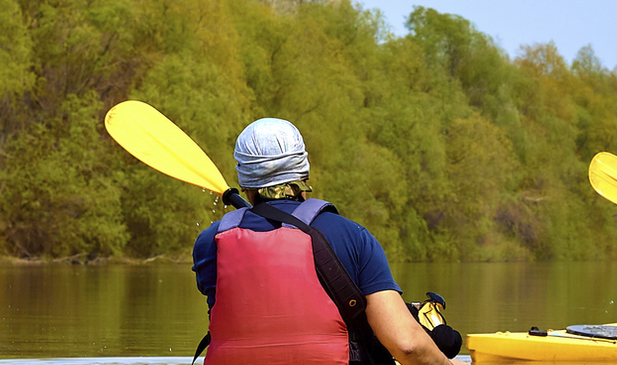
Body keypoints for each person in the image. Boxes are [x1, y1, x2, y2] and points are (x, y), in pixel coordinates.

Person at [192, 118, 461, 365]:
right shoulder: (352, 236)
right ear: (304, 172)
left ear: (244, 178)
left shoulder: (209, 243)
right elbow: (407, 345)